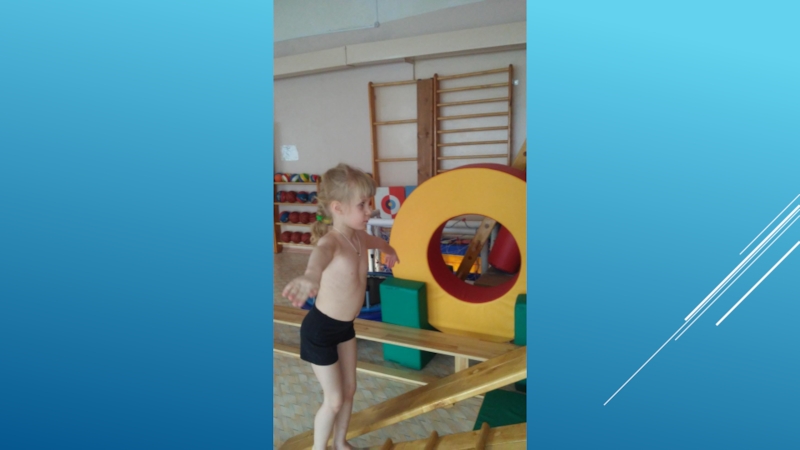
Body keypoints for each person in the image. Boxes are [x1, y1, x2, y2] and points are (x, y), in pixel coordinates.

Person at [282, 163, 399, 450]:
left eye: (369, 202)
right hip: (320, 331)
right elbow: (319, 258)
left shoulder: (358, 237)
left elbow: (378, 242)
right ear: (338, 208)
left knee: (349, 390)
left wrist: (390, 250)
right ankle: (318, 448)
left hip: (345, 328)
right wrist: (311, 276)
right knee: (334, 399)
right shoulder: (332, 242)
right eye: (362, 204)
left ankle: (339, 442)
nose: (370, 210)